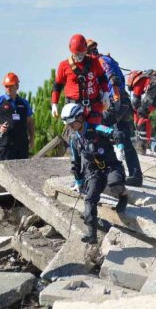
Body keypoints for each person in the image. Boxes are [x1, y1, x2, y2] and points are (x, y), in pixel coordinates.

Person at [62, 103, 129, 244]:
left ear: (80, 117)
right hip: (93, 172)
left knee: (114, 184)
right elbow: (75, 162)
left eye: (71, 122)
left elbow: (116, 133)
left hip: (111, 165)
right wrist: (79, 180)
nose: (70, 126)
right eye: (68, 124)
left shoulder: (97, 128)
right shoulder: (74, 140)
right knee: (89, 200)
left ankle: (123, 196)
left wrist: (120, 146)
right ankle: (92, 234)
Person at [86, 39, 143, 187]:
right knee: (124, 137)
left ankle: (105, 172)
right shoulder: (106, 59)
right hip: (123, 102)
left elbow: (113, 79)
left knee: (97, 129)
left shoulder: (101, 61)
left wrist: (115, 99)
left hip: (116, 101)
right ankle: (136, 175)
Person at [51, 34, 110, 125]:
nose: (79, 56)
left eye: (82, 53)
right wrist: (54, 104)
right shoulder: (64, 66)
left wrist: (106, 93)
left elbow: (102, 77)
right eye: (77, 54)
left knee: (94, 133)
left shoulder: (94, 61)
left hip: (94, 106)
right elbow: (57, 85)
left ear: (86, 50)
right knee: (75, 136)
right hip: (73, 108)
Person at [0, 72, 35, 161]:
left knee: (22, 173)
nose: (8, 88)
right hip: (5, 146)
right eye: (6, 86)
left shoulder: (24, 103)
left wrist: (32, 138)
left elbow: (30, 121)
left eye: (10, 86)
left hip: (22, 146)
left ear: (17, 86)